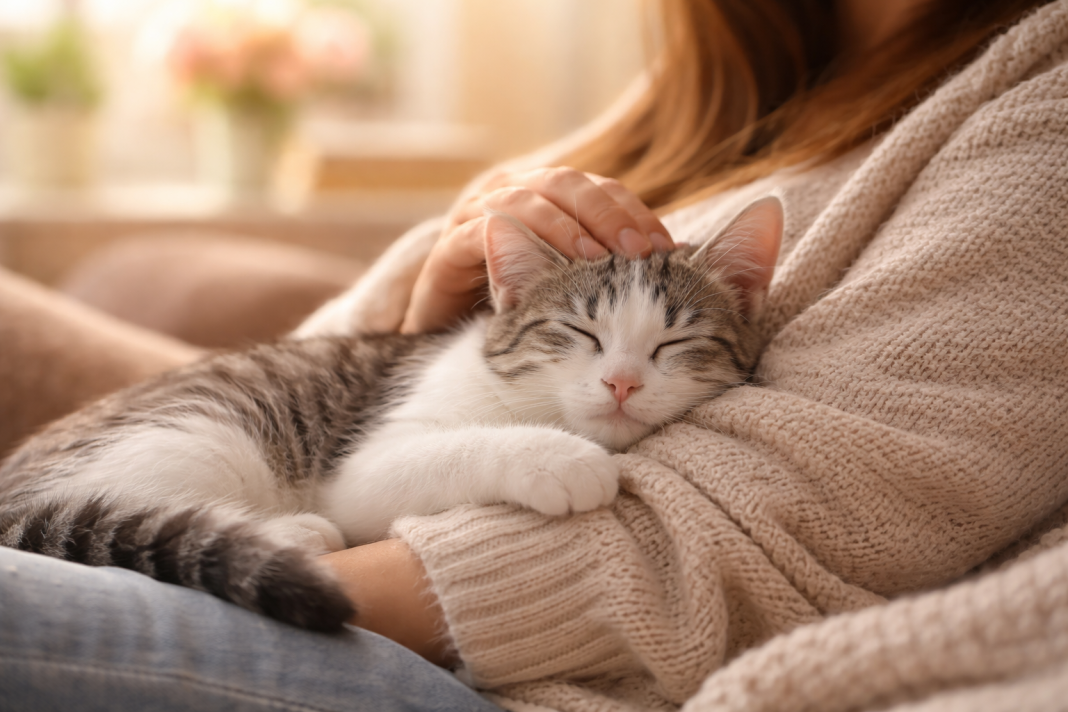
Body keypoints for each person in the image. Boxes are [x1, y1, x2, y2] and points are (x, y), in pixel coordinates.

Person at [2, 0, 1067, 710]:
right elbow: (321, 384)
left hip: (440, 641)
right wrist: (431, 320)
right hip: (291, 461)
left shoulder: (1035, 97)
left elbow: (817, 512)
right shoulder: (700, 91)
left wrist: (282, 580)